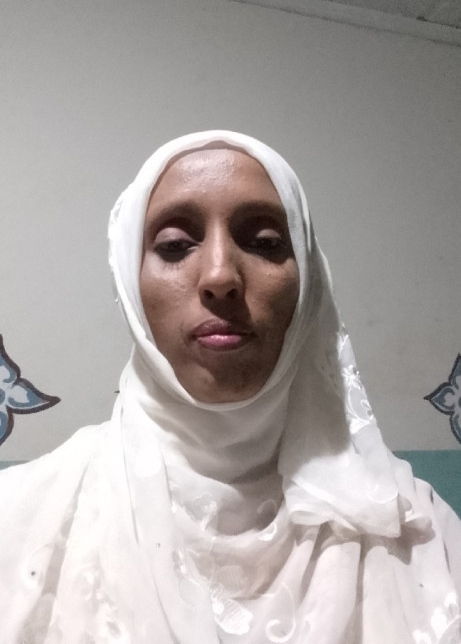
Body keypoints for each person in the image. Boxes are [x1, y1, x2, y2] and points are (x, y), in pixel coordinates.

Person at [0, 129, 460, 644]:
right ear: (129, 283)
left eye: (265, 243)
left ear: (309, 283)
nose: (220, 276)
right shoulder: (21, 521)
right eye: (174, 246)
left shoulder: (419, 533)